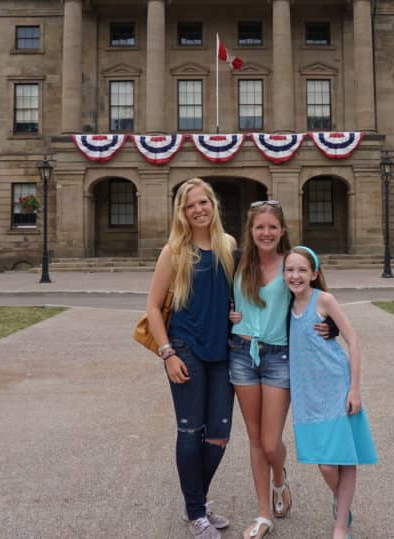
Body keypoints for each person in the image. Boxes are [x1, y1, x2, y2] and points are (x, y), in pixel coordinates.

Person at [227, 200, 331, 539]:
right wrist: (229, 313)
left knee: (271, 443)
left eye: (272, 227)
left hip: (278, 357)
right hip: (241, 353)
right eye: (260, 227)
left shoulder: (291, 263)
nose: (266, 233)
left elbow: (315, 296)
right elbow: (217, 297)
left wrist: (334, 328)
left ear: (282, 230)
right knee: (255, 439)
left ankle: (279, 479)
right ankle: (262, 514)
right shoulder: (237, 261)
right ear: (251, 231)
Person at [145, 178, 237, 539]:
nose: (199, 209)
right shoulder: (174, 251)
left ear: (213, 205)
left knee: (219, 435)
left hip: (223, 353)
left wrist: (237, 315)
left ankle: (195, 502)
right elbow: (153, 308)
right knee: (190, 430)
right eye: (190, 205)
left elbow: (235, 295)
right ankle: (197, 511)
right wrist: (167, 353)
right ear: (182, 212)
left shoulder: (228, 245)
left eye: (204, 203)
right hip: (186, 351)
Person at [284, 245, 377, 539]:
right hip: (307, 395)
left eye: (302, 270)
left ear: (314, 274)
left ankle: (340, 527)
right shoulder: (284, 305)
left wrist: (355, 388)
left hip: (337, 387)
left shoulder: (324, 300)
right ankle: (342, 502)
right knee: (325, 466)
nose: (296, 275)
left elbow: (354, 340)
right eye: (290, 270)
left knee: (343, 458)